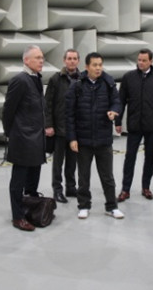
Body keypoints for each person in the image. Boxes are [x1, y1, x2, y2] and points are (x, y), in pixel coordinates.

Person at [66, 52, 124, 220]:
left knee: (108, 177)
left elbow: (117, 101)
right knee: (83, 177)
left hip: (103, 139)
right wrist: (72, 138)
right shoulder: (77, 85)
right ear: (87, 67)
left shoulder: (109, 83)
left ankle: (111, 206)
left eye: (100, 65)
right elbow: (69, 115)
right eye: (95, 65)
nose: (98, 68)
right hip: (83, 140)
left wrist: (114, 111)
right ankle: (84, 205)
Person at [2, 45, 47, 232]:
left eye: (42, 57)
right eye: (37, 57)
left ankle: (31, 210)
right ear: (26, 60)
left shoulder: (37, 78)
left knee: (33, 179)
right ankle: (17, 216)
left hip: (36, 138)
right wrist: (11, 133)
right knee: (18, 180)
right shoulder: (19, 80)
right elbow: (8, 111)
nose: (41, 60)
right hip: (22, 139)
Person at [115, 49, 153, 202]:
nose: (141, 63)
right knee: (129, 158)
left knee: (149, 158)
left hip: (152, 126)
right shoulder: (128, 77)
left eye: (144, 60)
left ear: (151, 61)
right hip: (134, 126)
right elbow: (121, 101)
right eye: (139, 60)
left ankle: (146, 187)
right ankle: (125, 189)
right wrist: (118, 121)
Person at [45, 49, 80, 204]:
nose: (72, 61)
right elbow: (47, 104)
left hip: (75, 129)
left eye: (74, 58)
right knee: (58, 163)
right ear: (64, 60)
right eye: (69, 58)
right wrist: (48, 125)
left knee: (72, 162)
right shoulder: (55, 79)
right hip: (59, 128)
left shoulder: (82, 79)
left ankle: (71, 188)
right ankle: (57, 190)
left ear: (78, 61)